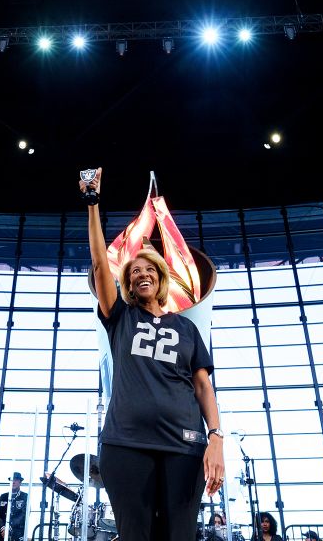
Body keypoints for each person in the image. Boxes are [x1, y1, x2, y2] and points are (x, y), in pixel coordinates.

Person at [80, 168, 225, 541]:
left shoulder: (187, 328)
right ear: (127, 283)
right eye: (134, 273)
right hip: (126, 444)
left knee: (179, 535)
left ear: (161, 278)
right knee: (135, 535)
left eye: (149, 270)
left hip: (184, 447)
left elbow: (203, 387)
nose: (141, 275)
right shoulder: (121, 318)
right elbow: (100, 265)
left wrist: (216, 439)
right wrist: (93, 203)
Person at [0, 472, 27, 541]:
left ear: (20, 482)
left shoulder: (24, 496)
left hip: (17, 534)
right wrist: (3, 527)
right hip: (1, 534)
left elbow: (24, 514)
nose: (13, 482)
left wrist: (9, 526)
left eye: (16, 480)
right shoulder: (3, 496)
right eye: (12, 480)